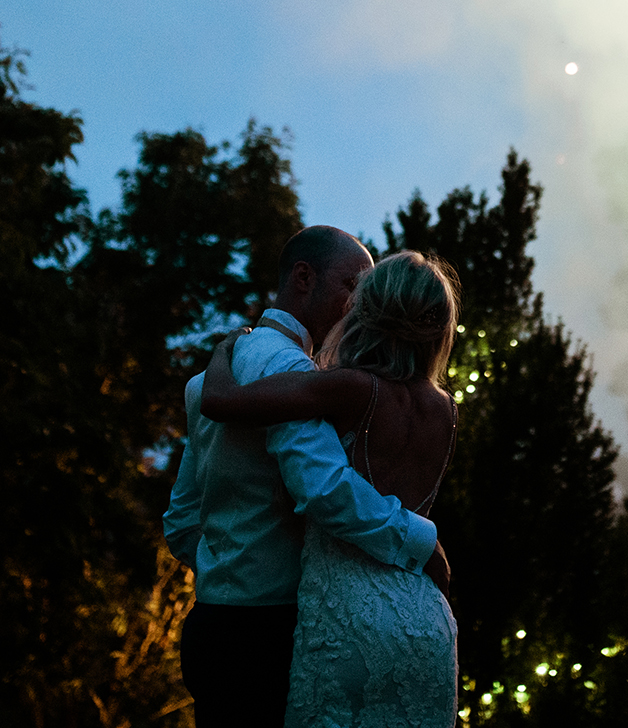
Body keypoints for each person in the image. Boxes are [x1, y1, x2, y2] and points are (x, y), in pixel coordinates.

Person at [164, 227, 450, 728]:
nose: (356, 304)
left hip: (212, 623)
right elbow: (325, 488)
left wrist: (228, 575)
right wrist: (420, 539)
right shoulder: (297, 371)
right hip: (275, 630)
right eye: (351, 286)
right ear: (303, 277)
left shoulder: (208, 379)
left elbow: (182, 518)